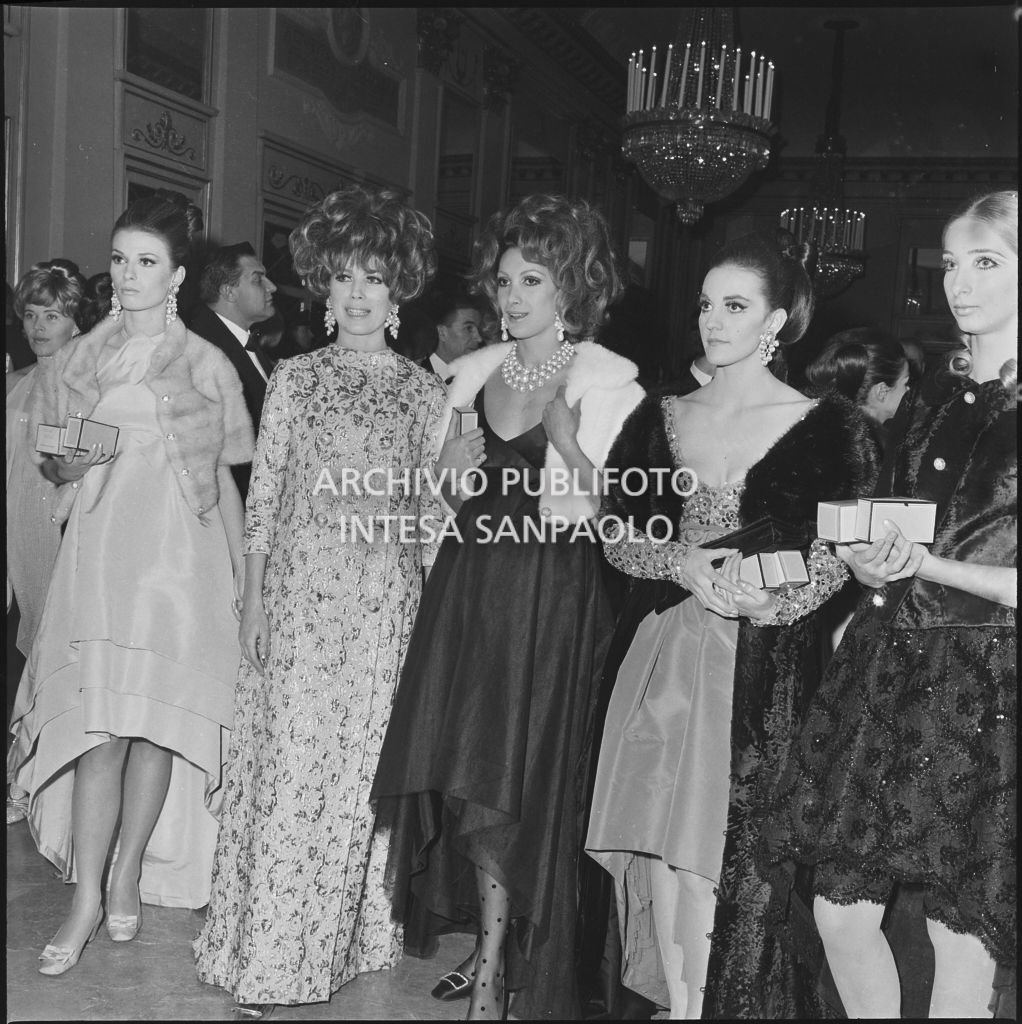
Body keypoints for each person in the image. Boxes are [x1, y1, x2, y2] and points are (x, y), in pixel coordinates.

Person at [585, 231, 879, 1019]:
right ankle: (680, 1005)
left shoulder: (832, 424)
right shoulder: (663, 413)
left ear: (777, 322)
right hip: (666, 655)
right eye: (707, 304)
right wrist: (679, 562)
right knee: (661, 853)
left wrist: (772, 603)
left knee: (726, 859)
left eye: (735, 305)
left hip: (767, 669)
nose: (714, 320)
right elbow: (615, 532)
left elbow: (844, 553)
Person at [371, 193, 644, 1021]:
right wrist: (451, 467)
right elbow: (445, 498)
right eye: (504, 279)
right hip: (469, 590)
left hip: (550, 598)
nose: (514, 295)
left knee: (518, 773)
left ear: (574, 285)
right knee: (467, 766)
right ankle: (487, 947)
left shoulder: (606, 381)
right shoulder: (474, 373)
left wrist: (565, 444)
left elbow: (621, 510)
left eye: (535, 278)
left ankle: (499, 963)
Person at [759, 191, 1017, 1019]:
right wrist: (875, 559)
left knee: (959, 930)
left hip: (988, 678)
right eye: (951, 263)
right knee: (839, 911)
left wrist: (927, 565)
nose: (960, 285)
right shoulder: (931, 401)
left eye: (987, 263)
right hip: (887, 660)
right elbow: (894, 539)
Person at [193, 184, 446, 1019]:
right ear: (325, 290)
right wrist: (256, 600)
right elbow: (264, 500)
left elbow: (428, 518)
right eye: (344, 278)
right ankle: (268, 954)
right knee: (292, 769)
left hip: (382, 607)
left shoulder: (423, 392)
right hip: (301, 600)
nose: (360, 293)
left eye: (375, 277)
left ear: (399, 290)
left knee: (356, 781)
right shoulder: (296, 379)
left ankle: (351, 940)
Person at [6, 190, 253, 976]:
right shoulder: (87, 355)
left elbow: (229, 481)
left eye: (147, 262)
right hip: (105, 556)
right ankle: (84, 898)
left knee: (152, 727)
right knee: (99, 731)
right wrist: (69, 461)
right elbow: (62, 461)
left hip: (179, 564)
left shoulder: (208, 364)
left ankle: (125, 873)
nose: (129, 274)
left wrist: (248, 578)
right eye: (120, 259)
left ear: (178, 274)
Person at [6, 261, 87, 822]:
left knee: (56, 654)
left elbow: (77, 467)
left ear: (74, 318)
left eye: (52, 315)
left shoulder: (86, 378)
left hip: (62, 532)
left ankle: (37, 785)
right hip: (18, 533)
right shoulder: (17, 383)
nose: (39, 327)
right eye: (31, 315)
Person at [186, 242, 278, 498]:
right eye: (258, 279)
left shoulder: (245, 344)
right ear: (229, 291)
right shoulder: (205, 349)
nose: (272, 287)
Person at [805, 326, 910, 430]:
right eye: (905, 383)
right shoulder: (868, 443)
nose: (908, 389)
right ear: (881, 391)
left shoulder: (825, 430)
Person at [428, 292, 483, 378]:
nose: (479, 338)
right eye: (468, 328)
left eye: (479, 329)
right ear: (442, 333)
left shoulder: (482, 378)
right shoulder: (411, 377)